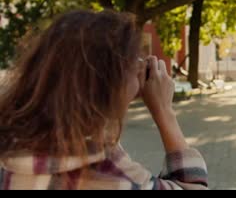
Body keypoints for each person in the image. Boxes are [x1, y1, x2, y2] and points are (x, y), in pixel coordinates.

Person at [0, 10, 208, 190]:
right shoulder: (114, 177)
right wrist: (164, 112)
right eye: (132, 65)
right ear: (111, 84)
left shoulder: (10, 151)